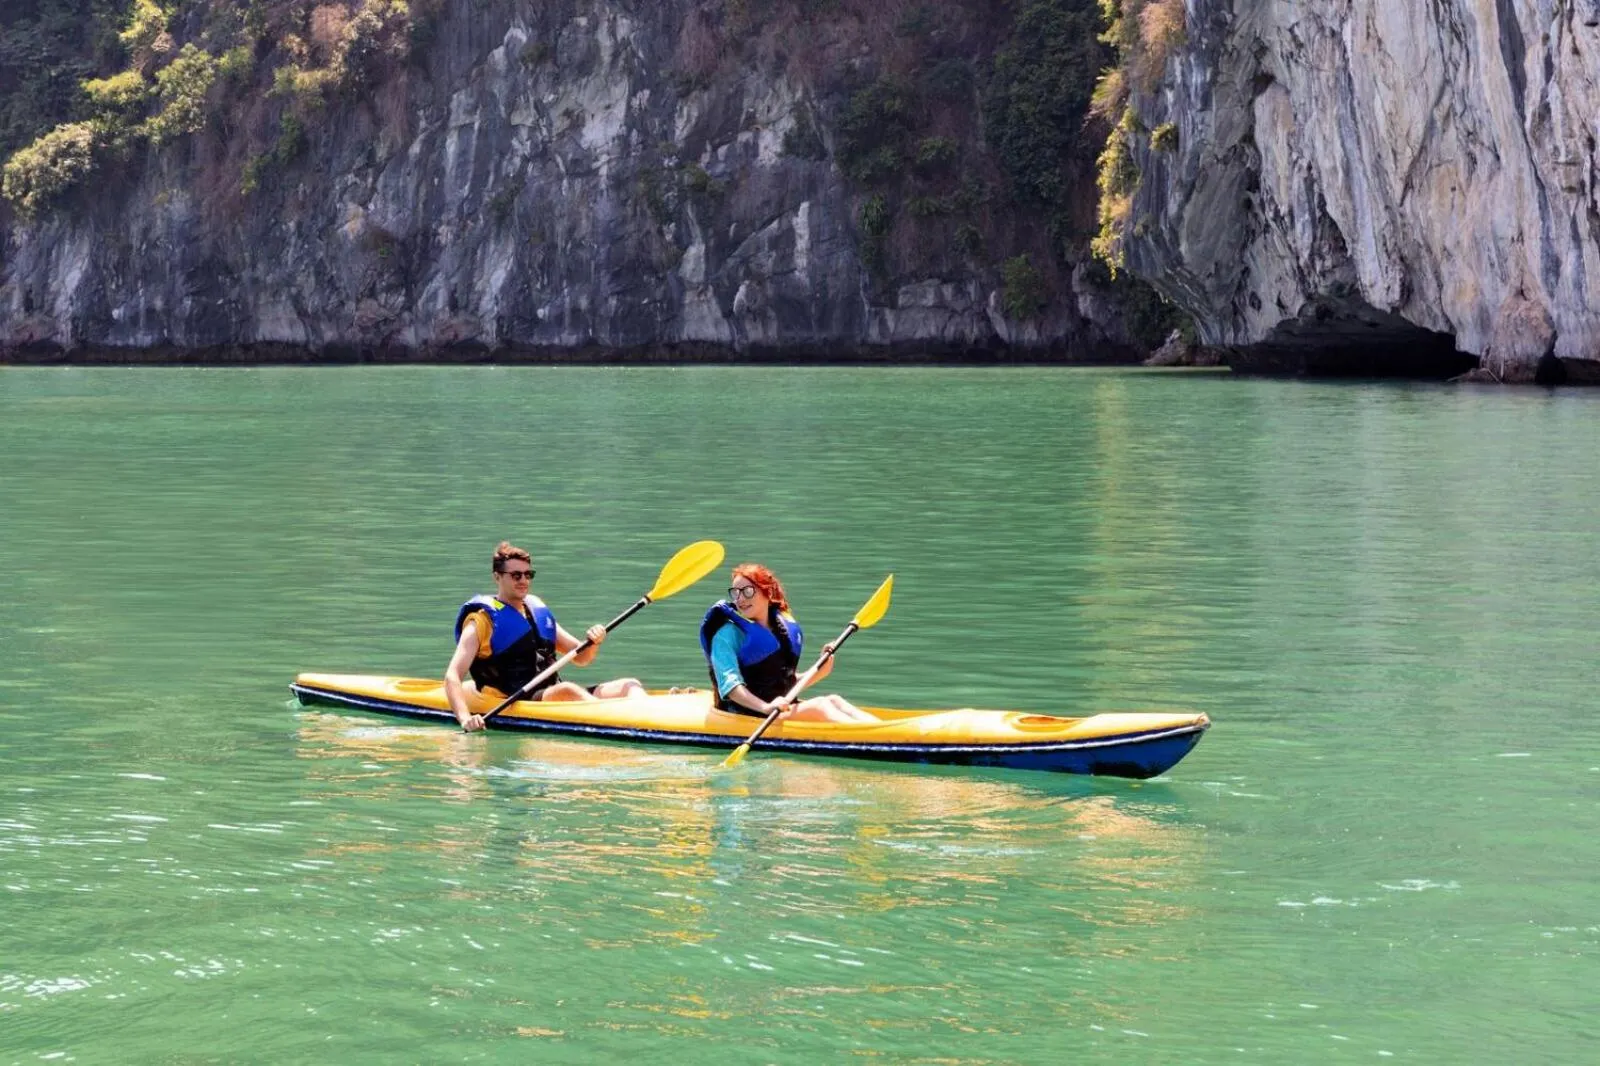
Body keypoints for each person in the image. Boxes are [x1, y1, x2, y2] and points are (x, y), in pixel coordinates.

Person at [445, 542, 644, 731]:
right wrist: (465, 718)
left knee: (629, 685)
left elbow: (582, 657)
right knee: (567, 690)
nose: (523, 580)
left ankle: (651, 716)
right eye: (516, 575)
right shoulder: (481, 622)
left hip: (552, 694)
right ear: (497, 577)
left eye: (528, 574)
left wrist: (594, 642)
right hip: (516, 699)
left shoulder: (536, 611)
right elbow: (453, 675)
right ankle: (624, 722)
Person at [698, 563, 876, 724]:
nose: (740, 599)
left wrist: (822, 667)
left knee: (834, 700)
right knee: (820, 706)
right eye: (736, 593)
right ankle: (875, 738)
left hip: (777, 709)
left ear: (767, 593)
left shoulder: (779, 629)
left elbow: (783, 683)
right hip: (747, 714)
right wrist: (765, 708)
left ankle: (881, 731)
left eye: (748, 591)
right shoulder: (726, 636)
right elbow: (731, 688)